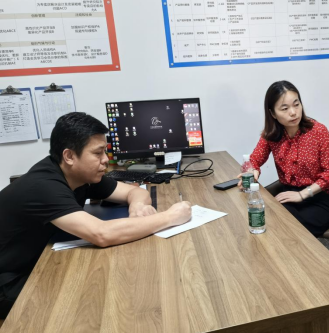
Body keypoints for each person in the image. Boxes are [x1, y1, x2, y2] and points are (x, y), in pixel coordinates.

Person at [0, 112, 192, 319]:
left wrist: (137, 207)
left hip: (38, 259)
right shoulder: (44, 186)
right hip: (9, 279)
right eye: (98, 153)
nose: (105, 160)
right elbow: (102, 234)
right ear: (69, 156)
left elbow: (134, 192)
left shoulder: (81, 176)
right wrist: (170, 217)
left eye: (105, 152)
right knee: (91, 305)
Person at [238, 80, 329, 237]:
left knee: (285, 228)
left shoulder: (318, 131)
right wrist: (252, 170)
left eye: (296, 104)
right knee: (269, 220)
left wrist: (302, 194)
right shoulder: (271, 135)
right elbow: (254, 160)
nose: (293, 112)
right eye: (284, 108)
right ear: (273, 113)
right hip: (288, 197)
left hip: (318, 199)